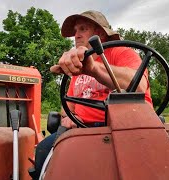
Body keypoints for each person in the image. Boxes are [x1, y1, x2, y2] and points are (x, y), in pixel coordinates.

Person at [32, 10, 153, 179]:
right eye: (75, 31)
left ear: (100, 34)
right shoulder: (77, 68)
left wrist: (94, 69)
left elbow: (138, 85)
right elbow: (68, 106)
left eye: (83, 29)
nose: (76, 35)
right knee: (44, 149)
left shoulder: (122, 53)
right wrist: (69, 117)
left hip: (126, 127)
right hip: (82, 129)